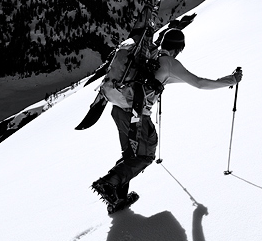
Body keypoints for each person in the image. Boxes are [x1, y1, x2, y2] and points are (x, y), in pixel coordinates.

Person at [91, 28, 242, 213]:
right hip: (136, 114)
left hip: (119, 109)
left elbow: (167, 79)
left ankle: (117, 200)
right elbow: (200, 83)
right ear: (179, 48)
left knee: (131, 155)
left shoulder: (150, 56)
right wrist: (231, 80)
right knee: (145, 155)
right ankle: (108, 184)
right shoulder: (170, 63)